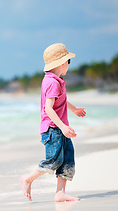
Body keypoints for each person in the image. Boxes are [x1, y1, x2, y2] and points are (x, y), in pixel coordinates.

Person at [20, 43, 86, 202]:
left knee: (68, 159)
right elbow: (48, 108)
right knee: (54, 160)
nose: (68, 65)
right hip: (53, 129)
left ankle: (60, 193)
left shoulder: (56, 80)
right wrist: (63, 127)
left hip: (60, 128)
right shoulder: (53, 82)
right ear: (62, 63)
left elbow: (61, 101)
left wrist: (74, 109)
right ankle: (28, 179)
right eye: (68, 62)